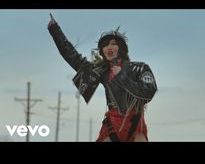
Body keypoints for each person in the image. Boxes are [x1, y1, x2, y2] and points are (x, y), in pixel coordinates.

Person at [48, 14, 157, 142]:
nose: (109, 47)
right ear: (102, 51)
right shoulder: (102, 72)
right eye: (105, 45)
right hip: (112, 127)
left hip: (135, 124)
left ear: (121, 49)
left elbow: (149, 92)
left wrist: (122, 77)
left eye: (113, 44)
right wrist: (55, 31)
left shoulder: (140, 68)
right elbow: (73, 58)